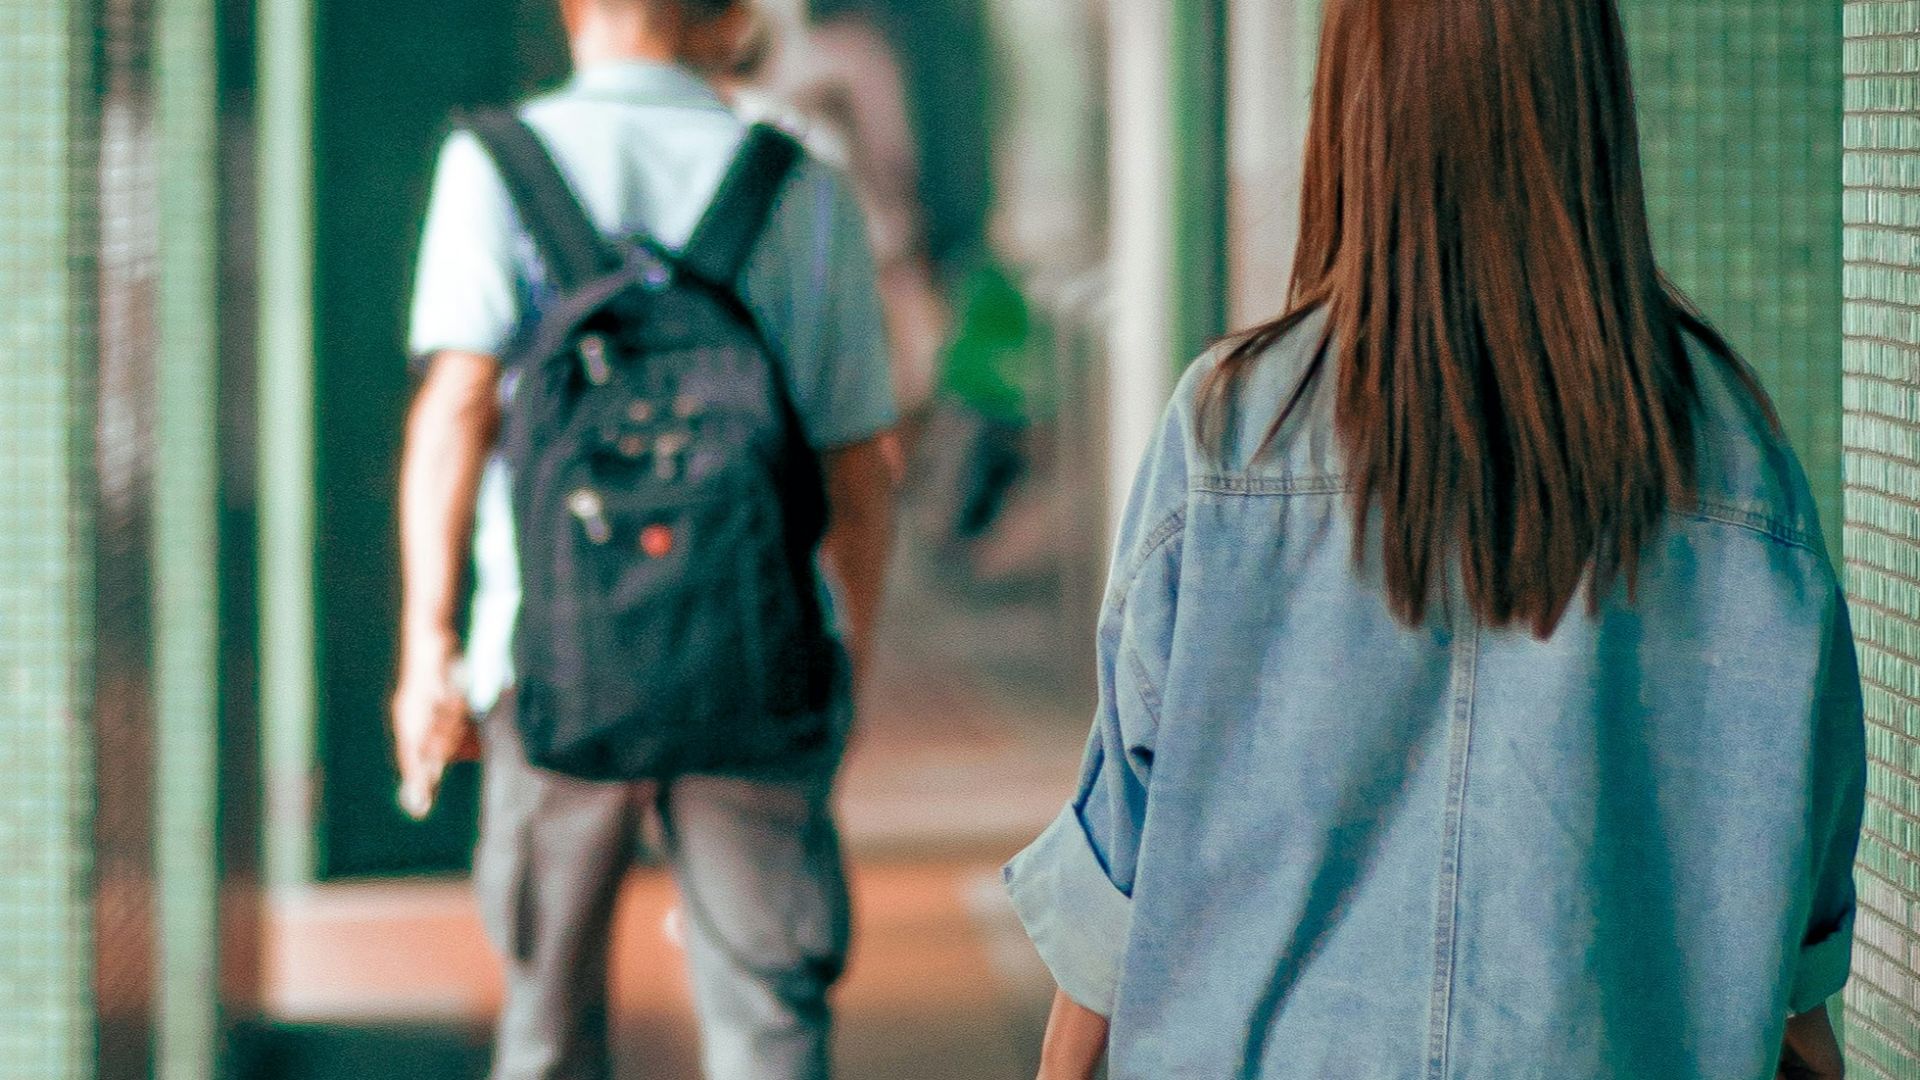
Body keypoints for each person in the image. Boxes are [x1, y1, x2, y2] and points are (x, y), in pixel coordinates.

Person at [1003, 1, 1866, 1078]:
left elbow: (1115, 892)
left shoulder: (1233, 437)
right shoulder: (1733, 461)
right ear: (1592, 105)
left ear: (1355, 107)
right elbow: (1792, 928)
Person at [392, 1, 898, 1077]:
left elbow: (456, 410)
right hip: (759, 660)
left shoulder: (495, 165)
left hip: (546, 657)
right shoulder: (801, 183)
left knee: (544, 1022)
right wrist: (846, 657)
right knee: (770, 1020)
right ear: (729, 15)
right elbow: (858, 465)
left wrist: (429, 647)